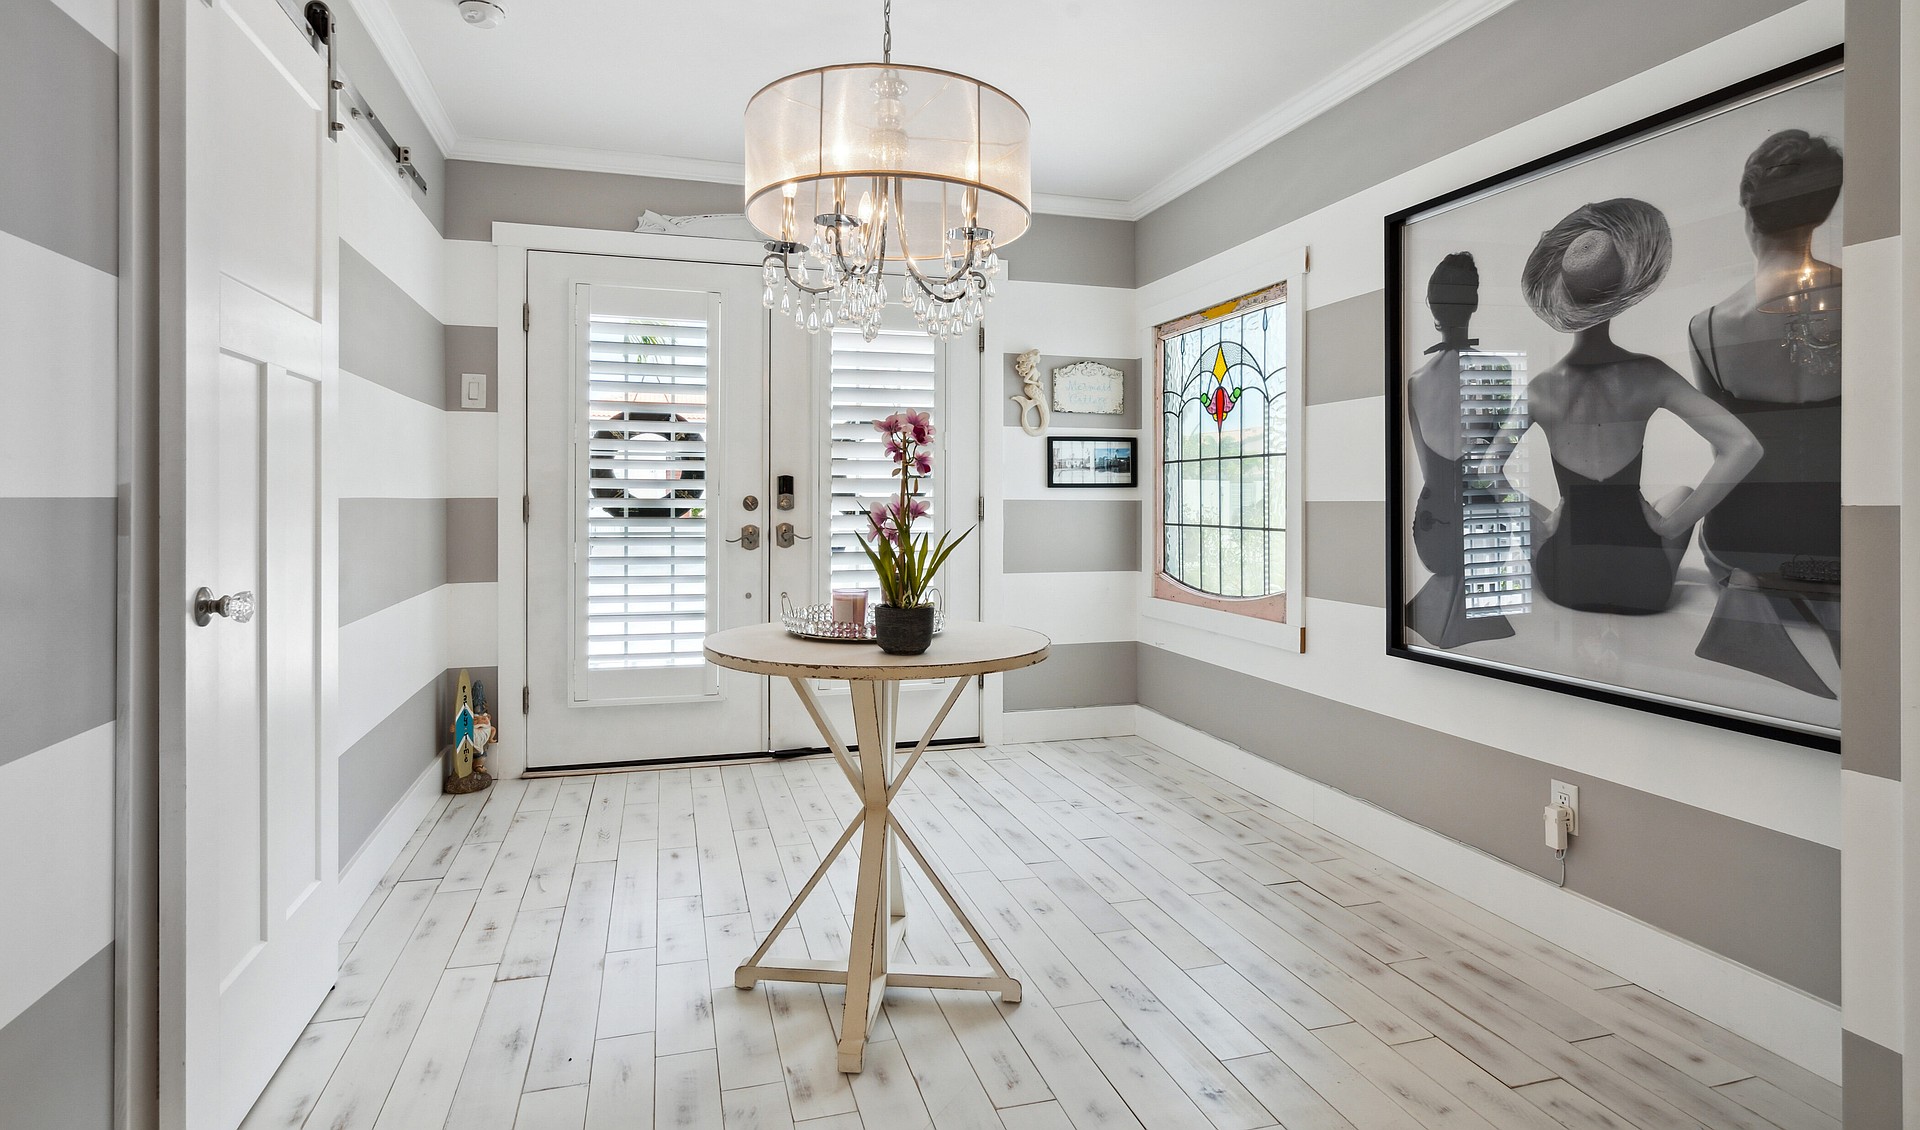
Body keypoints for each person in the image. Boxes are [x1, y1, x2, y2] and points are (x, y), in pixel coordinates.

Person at [1514, 198, 1761, 616]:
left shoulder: (1540, 388)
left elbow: (1477, 473)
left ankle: (1562, 523)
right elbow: (1744, 446)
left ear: (1564, 293)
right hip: (1643, 585)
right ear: (1621, 293)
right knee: (1680, 494)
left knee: (1537, 507)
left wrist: (1545, 524)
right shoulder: (1649, 375)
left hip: (1565, 580)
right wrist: (1669, 525)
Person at [1686, 130, 1843, 697]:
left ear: (1747, 211)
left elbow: (1726, 454)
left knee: (1736, 540)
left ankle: (1752, 586)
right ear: (1820, 214)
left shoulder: (1708, 325)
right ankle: (1830, 601)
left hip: (1741, 537)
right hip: (1843, 540)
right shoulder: (1871, 297)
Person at [1404, 252, 1518, 648]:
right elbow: (1496, 466)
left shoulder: (1415, 381)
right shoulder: (1499, 369)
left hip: (1430, 536)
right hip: (1485, 538)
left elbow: (1426, 468)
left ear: (1432, 308)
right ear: (1474, 305)